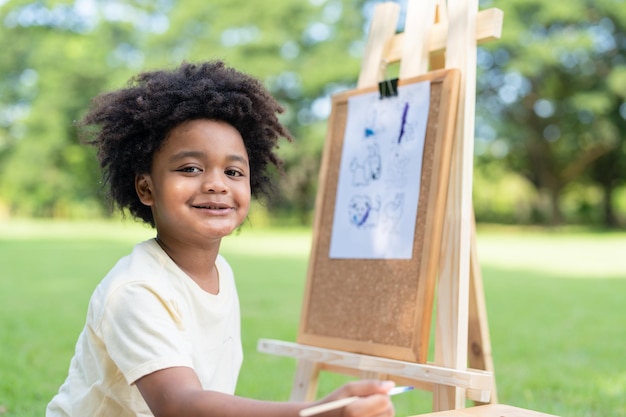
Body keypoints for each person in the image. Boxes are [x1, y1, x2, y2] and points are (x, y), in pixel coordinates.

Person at [46, 60, 396, 417]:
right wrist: (316, 413)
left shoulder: (220, 272)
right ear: (146, 187)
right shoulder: (136, 291)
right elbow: (179, 405)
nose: (216, 184)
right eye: (191, 168)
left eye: (233, 171)